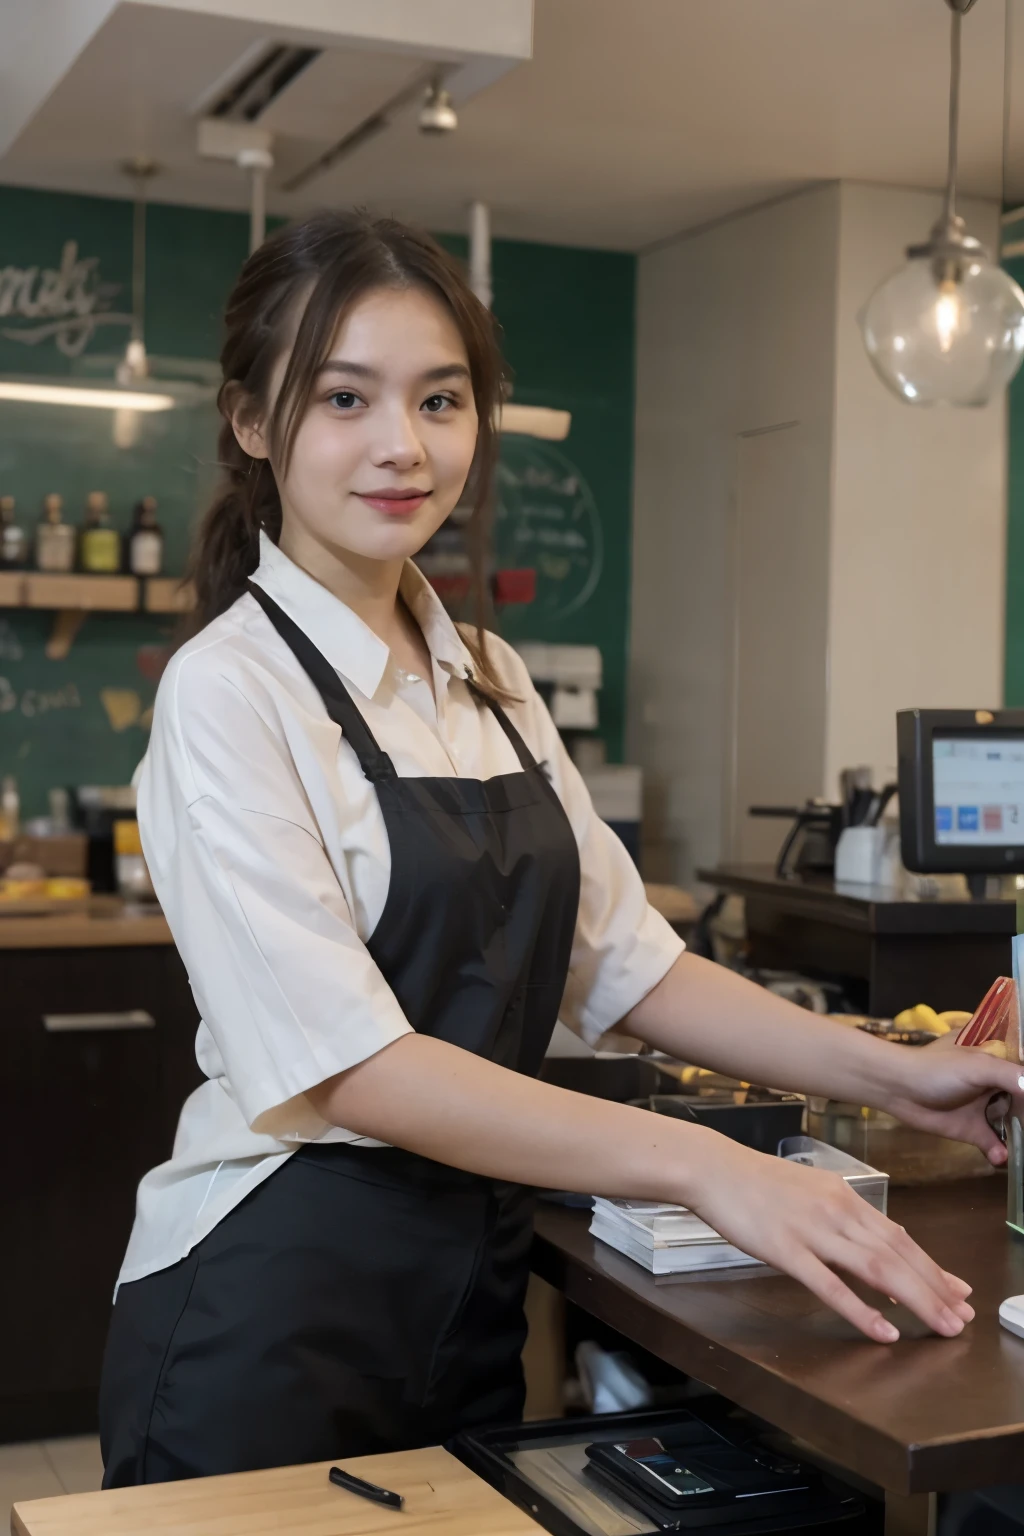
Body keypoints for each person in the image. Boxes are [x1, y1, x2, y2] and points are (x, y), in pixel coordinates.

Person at [99, 210, 1021, 1487]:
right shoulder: (229, 691)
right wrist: (709, 1171)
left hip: (469, 1284)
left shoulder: (487, 676)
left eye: (441, 399)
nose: (402, 446)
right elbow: (353, 1069)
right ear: (255, 423)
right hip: (274, 1309)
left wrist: (887, 1072)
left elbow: (627, 967)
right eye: (345, 398)